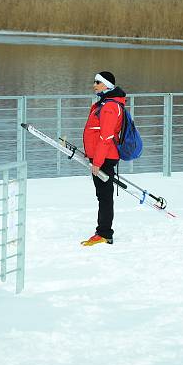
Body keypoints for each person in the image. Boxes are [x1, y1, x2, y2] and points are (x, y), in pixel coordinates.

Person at [81, 71, 126, 246]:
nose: (94, 85)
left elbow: (106, 137)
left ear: (106, 85)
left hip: (105, 158)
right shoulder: (105, 103)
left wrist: (97, 161)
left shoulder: (109, 106)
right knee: (103, 195)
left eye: (98, 82)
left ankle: (105, 233)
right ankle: (104, 231)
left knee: (105, 196)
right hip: (100, 156)